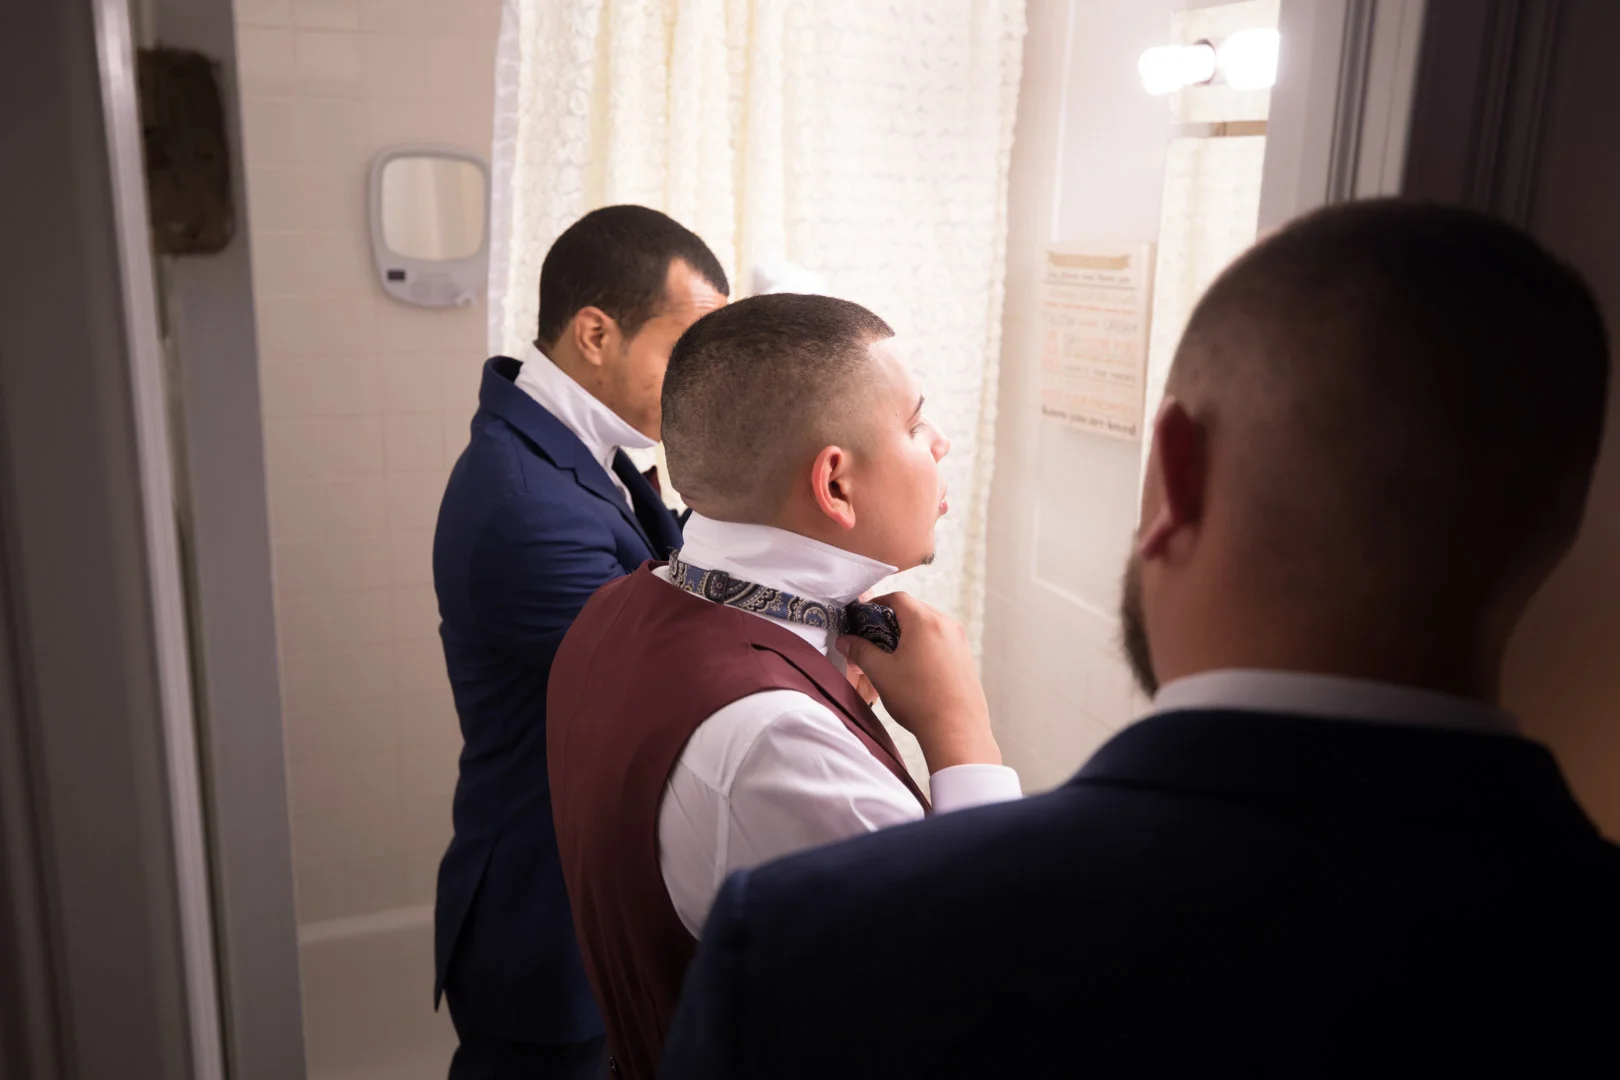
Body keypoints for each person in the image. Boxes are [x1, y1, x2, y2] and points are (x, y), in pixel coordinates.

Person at [661, 201, 1620, 1077]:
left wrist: (963, 742)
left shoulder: (806, 938)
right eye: (919, 426)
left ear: (1174, 472)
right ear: (1559, 535)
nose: (940, 443)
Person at [544, 294, 1023, 1079]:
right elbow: (995, 992)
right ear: (835, 484)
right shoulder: (776, 739)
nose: (940, 442)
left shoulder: (612, 609)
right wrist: (960, 731)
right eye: (914, 425)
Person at [431, 205, 727, 1080]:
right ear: (595, 334)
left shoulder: (584, 446)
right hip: (550, 920)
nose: (701, 382)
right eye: (684, 350)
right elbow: (665, 689)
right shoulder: (526, 505)